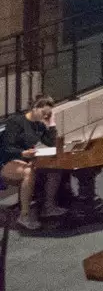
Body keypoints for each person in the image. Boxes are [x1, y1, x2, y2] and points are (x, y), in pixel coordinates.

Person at [0, 96, 63, 228]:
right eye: (44, 112)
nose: (45, 115)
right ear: (35, 108)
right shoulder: (16, 122)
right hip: (8, 161)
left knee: (54, 168)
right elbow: (7, 147)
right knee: (28, 172)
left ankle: (48, 206)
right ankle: (24, 215)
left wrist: (51, 123)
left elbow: (51, 142)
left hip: (27, 159)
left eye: (48, 113)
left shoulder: (39, 125)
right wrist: (22, 153)